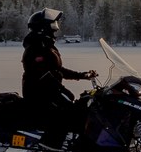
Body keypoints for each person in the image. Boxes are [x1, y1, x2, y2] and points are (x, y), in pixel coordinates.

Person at [21, 9, 94, 143]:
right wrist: (58, 88)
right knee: (66, 109)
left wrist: (82, 75)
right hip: (38, 92)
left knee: (76, 104)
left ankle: (71, 138)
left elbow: (57, 70)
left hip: (47, 89)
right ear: (42, 27)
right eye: (52, 24)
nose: (55, 27)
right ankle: (52, 142)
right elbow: (41, 73)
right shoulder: (36, 47)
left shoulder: (46, 45)